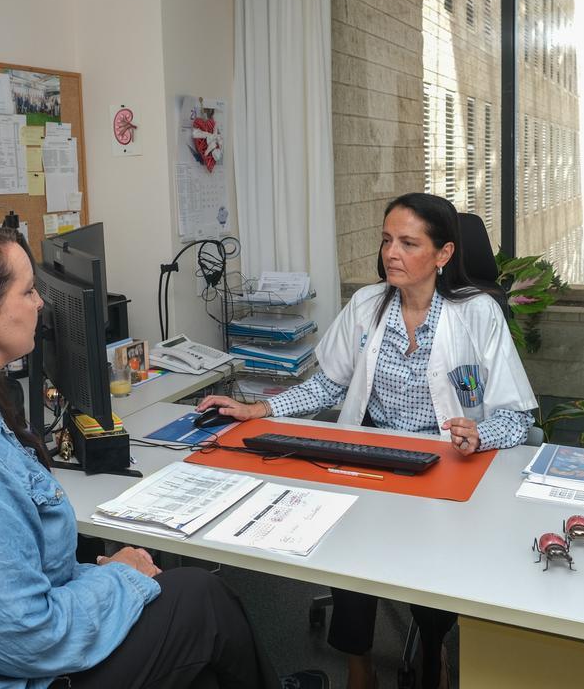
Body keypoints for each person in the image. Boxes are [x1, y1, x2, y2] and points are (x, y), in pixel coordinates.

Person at [0, 216, 328, 689]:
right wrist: (122, 578)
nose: (41, 304)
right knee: (199, 602)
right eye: (29, 290)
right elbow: (26, 641)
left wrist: (98, 580)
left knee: (193, 628)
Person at [198, 193, 537, 689]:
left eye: (407, 242)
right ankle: (358, 665)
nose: (390, 254)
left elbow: (517, 416)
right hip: (373, 447)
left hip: (445, 455)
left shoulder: (476, 314)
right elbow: (327, 385)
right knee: (347, 540)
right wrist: (260, 409)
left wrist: (479, 433)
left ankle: (434, 650)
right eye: (385, 241)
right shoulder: (366, 305)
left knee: (435, 556)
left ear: (442, 255)